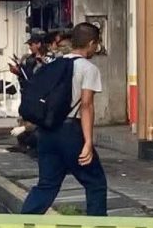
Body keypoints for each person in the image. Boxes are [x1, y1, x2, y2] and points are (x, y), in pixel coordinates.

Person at [21, 22, 108, 216]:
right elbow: (86, 105)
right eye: (96, 44)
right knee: (95, 183)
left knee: (47, 185)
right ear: (91, 43)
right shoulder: (88, 69)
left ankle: (22, 226)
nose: (96, 48)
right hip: (71, 132)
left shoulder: (53, 65)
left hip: (46, 131)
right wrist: (88, 142)